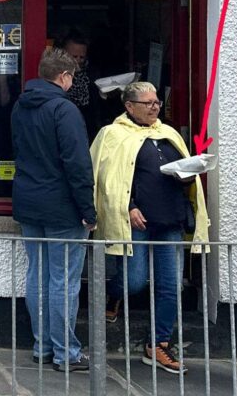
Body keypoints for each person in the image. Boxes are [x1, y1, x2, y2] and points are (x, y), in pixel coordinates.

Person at [90, 81, 209, 375]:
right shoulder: (112, 135)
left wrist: (188, 174)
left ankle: (157, 343)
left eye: (157, 102)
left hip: (170, 219)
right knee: (134, 280)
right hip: (136, 221)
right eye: (148, 103)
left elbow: (184, 172)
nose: (155, 107)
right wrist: (128, 205)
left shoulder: (168, 134)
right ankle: (115, 293)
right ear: (129, 106)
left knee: (170, 285)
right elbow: (107, 178)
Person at [11, 48, 97, 372]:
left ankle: (42, 347)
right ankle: (66, 353)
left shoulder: (20, 106)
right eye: (71, 77)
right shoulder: (65, 110)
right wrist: (88, 210)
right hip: (62, 207)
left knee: (37, 275)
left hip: (28, 202)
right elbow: (77, 164)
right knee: (64, 280)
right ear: (63, 77)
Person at [56, 29, 101, 138]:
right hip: (62, 126)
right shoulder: (54, 75)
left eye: (82, 57)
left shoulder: (92, 74)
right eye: (74, 56)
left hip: (87, 127)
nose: (78, 61)